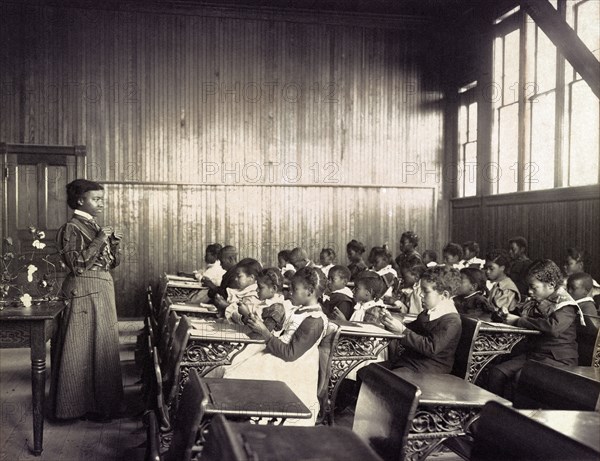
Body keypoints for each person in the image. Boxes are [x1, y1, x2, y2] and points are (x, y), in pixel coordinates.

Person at [49, 179, 123, 422]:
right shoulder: (70, 227)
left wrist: (114, 244)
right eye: (96, 199)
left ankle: (99, 407)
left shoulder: (93, 226)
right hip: (83, 289)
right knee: (78, 348)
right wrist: (102, 238)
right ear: (80, 201)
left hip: (101, 288)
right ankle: (71, 408)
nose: (101, 203)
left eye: (102, 199)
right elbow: (77, 265)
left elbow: (111, 264)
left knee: (101, 346)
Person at [221, 266, 329, 425]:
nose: (290, 291)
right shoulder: (299, 310)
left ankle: (241, 418)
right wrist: (259, 324)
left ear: (310, 291)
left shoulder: (315, 319)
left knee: (243, 374)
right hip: (279, 352)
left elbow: (291, 354)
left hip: (294, 367)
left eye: (294, 288)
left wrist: (265, 332)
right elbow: (282, 333)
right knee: (234, 364)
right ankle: (232, 416)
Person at [488, 260, 583, 399]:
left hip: (558, 359)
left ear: (551, 285)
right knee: (497, 372)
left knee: (522, 377)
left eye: (534, 287)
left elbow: (552, 327)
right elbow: (517, 313)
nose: (529, 292)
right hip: (535, 355)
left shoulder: (566, 305)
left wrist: (517, 321)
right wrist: (503, 314)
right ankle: (497, 414)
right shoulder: (536, 301)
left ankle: (518, 417)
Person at [380, 265, 463, 374]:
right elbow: (410, 329)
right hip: (412, 363)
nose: (420, 294)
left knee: (385, 378)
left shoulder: (452, 320)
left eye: (425, 291)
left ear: (444, 295)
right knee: (366, 371)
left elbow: (431, 348)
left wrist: (402, 330)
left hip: (431, 369)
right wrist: (390, 322)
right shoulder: (428, 313)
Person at [214, 258, 262, 323]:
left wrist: (226, 306)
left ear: (251, 278)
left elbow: (244, 321)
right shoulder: (242, 292)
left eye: (239, 276)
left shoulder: (253, 296)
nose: (235, 279)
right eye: (235, 276)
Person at [485, 249, 520, 316]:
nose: (487, 271)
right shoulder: (491, 282)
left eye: (491, 269)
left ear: (502, 268)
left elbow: (496, 312)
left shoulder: (507, 288)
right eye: (486, 268)